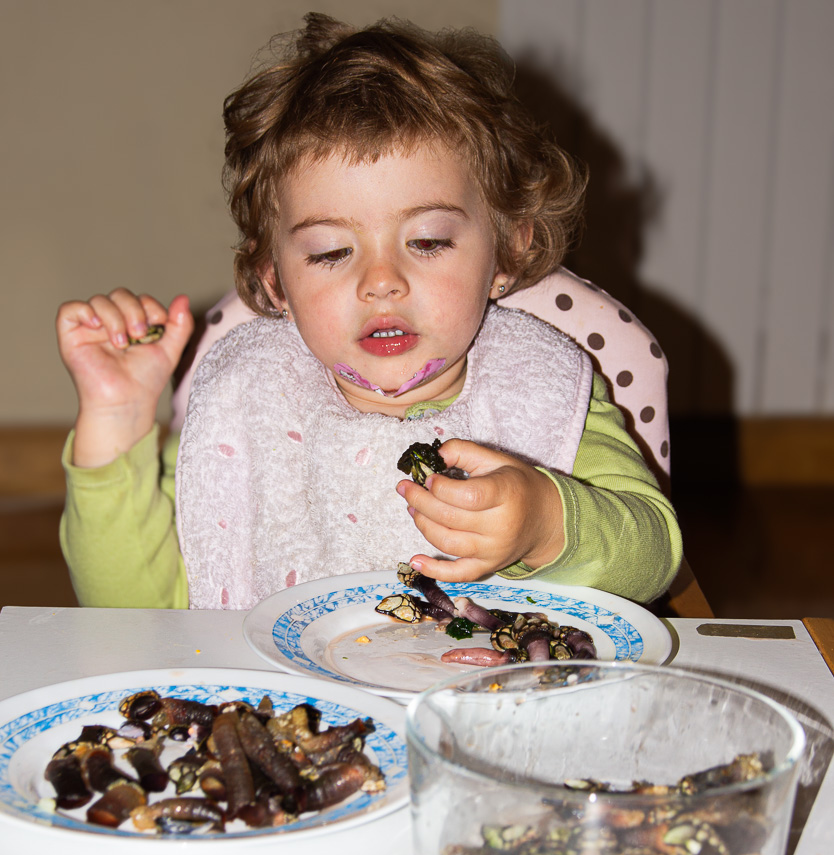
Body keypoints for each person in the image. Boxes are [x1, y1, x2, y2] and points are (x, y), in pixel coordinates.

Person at [56, 12, 681, 611]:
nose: (381, 283)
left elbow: (653, 558)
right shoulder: (248, 399)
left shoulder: (538, 384)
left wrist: (544, 522)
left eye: (428, 242)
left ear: (508, 253)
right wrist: (117, 419)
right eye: (331, 252)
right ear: (275, 280)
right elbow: (134, 611)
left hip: (490, 705)